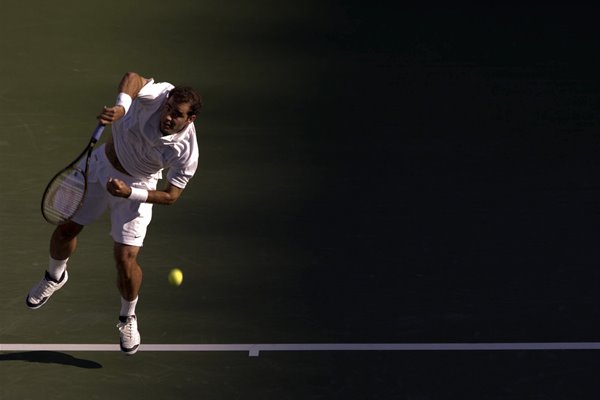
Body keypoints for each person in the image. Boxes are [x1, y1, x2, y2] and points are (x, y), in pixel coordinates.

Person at [26, 72, 202, 355]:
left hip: (137, 187)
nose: (168, 117)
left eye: (177, 115)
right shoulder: (159, 95)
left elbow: (171, 196)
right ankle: (55, 276)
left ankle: (127, 316)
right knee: (66, 228)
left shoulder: (186, 152)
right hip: (99, 167)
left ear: (190, 119)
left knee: (125, 258)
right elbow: (133, 78)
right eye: (169, 109)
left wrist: (129, 193)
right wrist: (122, 107)